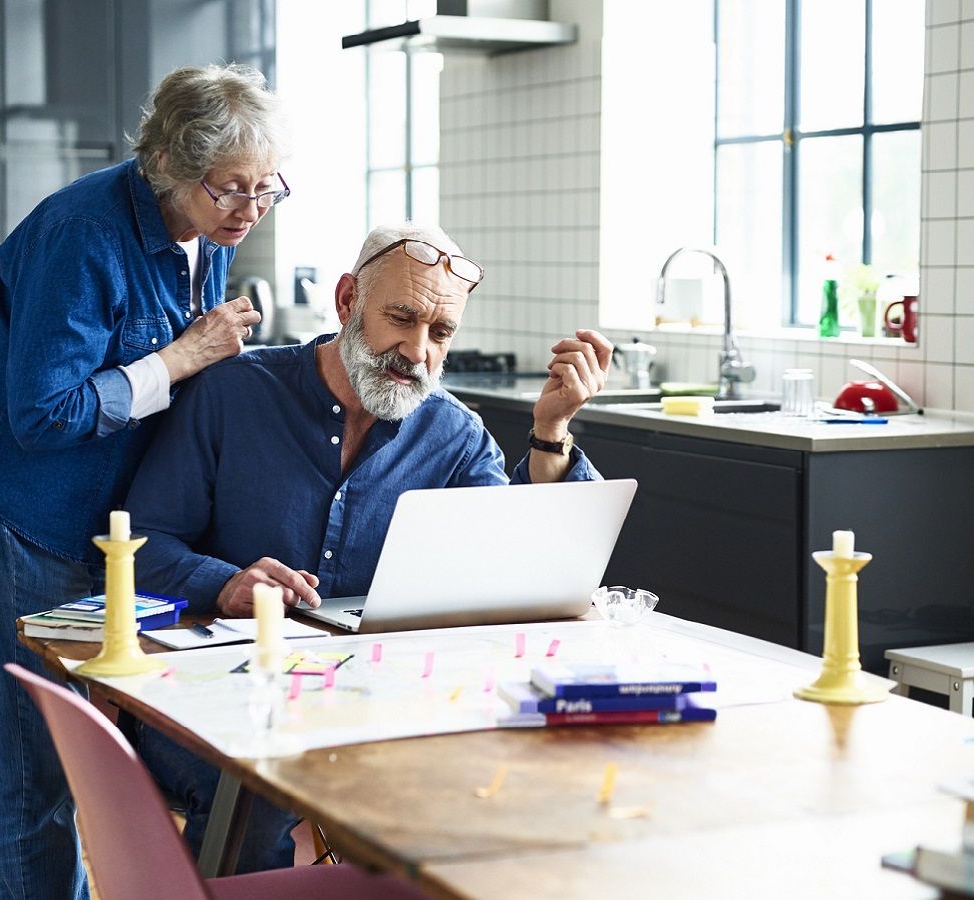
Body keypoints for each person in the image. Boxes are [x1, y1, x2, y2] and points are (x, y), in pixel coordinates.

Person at [123, 222, 613, 867]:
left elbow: (524, 565)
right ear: (348, 299)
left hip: (379, 701)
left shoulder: (453, 434)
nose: (417, 352)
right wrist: (223, 581)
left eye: (440, 334)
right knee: (256, 788)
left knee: (495, 779)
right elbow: (138, 543)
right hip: (220, 695)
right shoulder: (232, 392)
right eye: (402, 319)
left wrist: (551, 428)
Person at [0, 63, 288, 899]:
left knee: (18, 743)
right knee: (39, 762)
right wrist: (185, 355)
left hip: (92, 516)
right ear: (167, 164)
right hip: (21, 509)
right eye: (232, 191)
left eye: (268, 190)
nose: (251, 210)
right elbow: (43, 413)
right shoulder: (82, 234)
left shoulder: (209, 229)